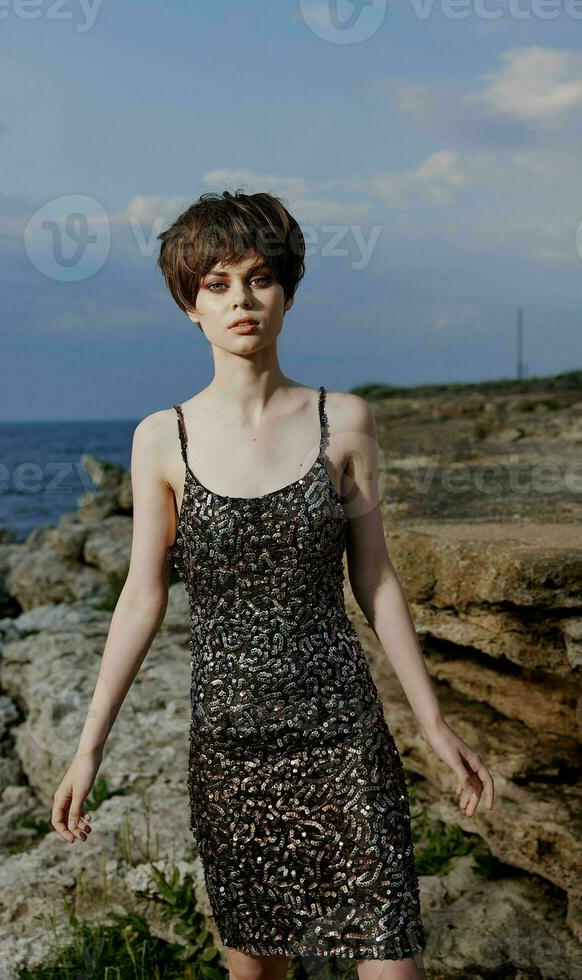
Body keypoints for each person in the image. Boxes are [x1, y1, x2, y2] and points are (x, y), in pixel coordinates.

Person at [51, 189, 495, 980]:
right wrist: (89, 750)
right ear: (190, 306)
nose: (241, 300)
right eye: (216, 284)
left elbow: (377, 581)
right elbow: (141, 597)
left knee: (394, 966)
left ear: (287, 291)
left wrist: (432, 722)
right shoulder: (163, 440)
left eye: (259, 279)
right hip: (231, 749)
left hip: (345, 739)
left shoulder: (345, 422)